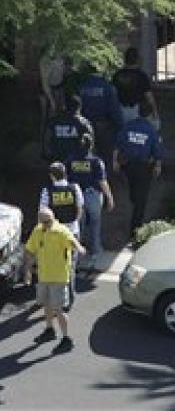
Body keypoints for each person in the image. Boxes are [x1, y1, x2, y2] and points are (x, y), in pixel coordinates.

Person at [24, 207, 86, 353]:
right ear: (40, 221)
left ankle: (66, 339)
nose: (47, 224)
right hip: (44, 275)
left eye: (49, 221)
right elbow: (30, 250)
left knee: (58, 309)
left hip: (59, 277)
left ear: (53, 218)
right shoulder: (38, 231)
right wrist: (27, 271)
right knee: (46, 304)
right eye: (44, 222)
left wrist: (79, 247)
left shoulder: (61, 231)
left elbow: (72, 241)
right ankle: (49, 330)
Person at [113, 99, 165, 238]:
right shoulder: (151, 131)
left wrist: (115, 162)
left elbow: (118, 144)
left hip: (128, 166)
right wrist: (158, 166)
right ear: (149, 115)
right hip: (143, 168)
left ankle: (135, 208)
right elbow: (157, 151)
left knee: (134, 193)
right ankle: (135, 230)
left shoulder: (128, 126)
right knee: (141, 200)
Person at [39, 162, 84, 309]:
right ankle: (70, 298)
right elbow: (79, 208)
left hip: (54, 234)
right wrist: (74, 223)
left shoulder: (47, 191)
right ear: (65, 173)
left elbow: (43, 214)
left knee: (55, 265)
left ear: (52, 176)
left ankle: (53, 298)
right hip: (72, 232)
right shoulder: (74, 188)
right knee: (71, 266)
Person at [66, 133, 114, 268]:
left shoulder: (70, 160)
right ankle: (94, 251)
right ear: (91, 145)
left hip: (75, 196)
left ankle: (77, 252)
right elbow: (102, 181)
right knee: (94, 223)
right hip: (92, 195)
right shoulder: (96, 161)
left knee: (77, 225)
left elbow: (66, 178)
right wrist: (109, 197)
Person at [78, 64, 122, 164]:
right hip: (104, 126)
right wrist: (119, 126)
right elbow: (114, 110)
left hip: (84, 125)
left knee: (85, 154)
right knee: (104, 156)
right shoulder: (108, 87)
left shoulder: (81, 87)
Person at [112, 46, 159, 127]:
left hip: (121, 110)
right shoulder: (142, 76)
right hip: (136, 110)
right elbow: (149, 97)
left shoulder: (117, 75)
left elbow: (112, 94)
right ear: (137, 60)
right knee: (154, 124)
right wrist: (155, 112)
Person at [44, 94, 94, 162]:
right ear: (79, 107)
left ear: (65, 106)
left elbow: (47, 139)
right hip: (77, 162)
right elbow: (90, 143)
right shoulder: (84, 123)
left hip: (57, 160)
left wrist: (49, 156)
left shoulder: (54, 121)